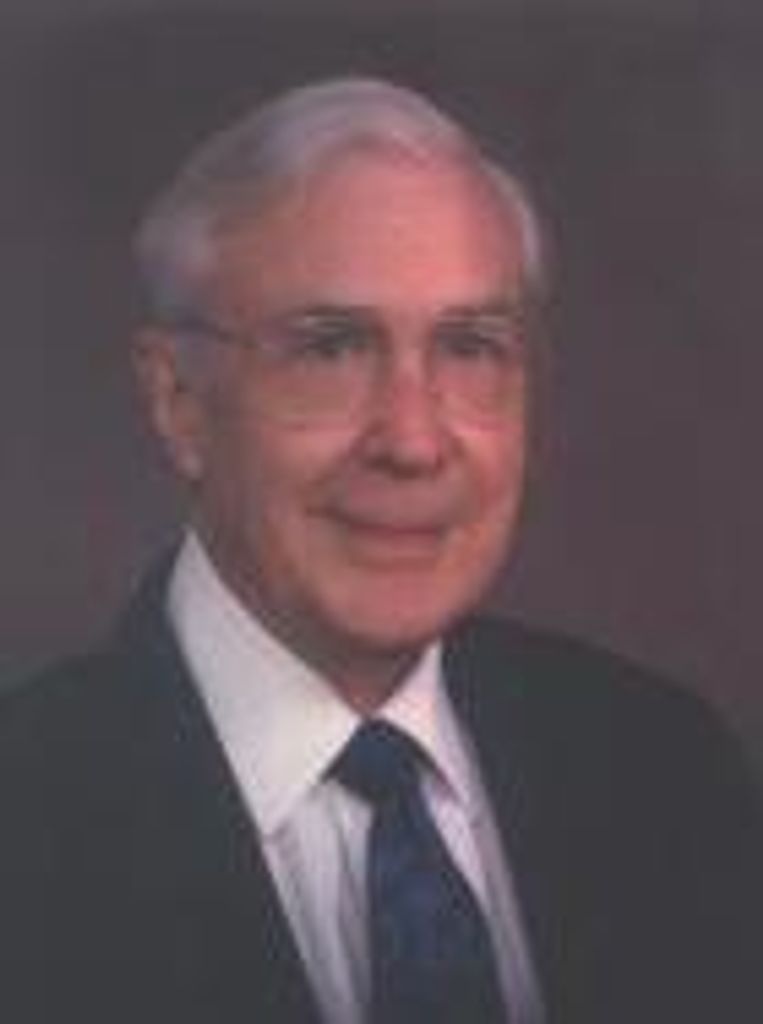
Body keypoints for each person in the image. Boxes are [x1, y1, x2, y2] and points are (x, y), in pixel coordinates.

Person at [0, 78, 759, 1024]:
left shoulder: (664, 770)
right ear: (179, 402)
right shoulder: (27, 818)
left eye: (469, 347)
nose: (411, 440)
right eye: (332, 348)